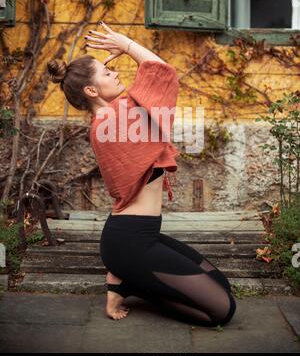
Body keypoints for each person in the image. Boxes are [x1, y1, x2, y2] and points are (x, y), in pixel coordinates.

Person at [47, 21, 236, 327]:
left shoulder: (116, 115)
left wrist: (124, 47)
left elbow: (155, 77)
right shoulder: (113, 121)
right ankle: (132, 283)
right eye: (107, 73)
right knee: (223, 310)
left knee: (221, 285)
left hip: (139, 236)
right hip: (130, 242)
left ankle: (126, 280)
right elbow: (162, 73)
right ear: (92, 90)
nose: (116, 72)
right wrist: (126, 44)